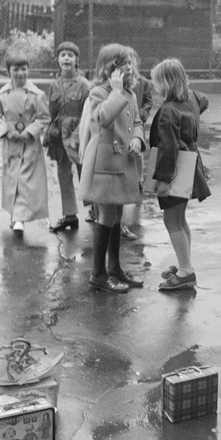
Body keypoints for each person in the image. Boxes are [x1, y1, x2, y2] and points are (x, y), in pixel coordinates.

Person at [78, 44, 146, 293]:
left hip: (123, 161)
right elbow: (103, 119)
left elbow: (137, 121)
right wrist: (116, 92)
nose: (128, 68)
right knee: (106, 216)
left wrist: (138, 138)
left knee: (117, 216)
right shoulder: (98, 92)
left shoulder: (131, 93)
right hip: (104, 164)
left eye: (130, 63)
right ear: (109, 68)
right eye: (122, 64)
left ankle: (115, 268)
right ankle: (98, 273)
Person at [148, 58, 211, 291]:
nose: (154, 87)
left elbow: (167, 148)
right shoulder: (192, 98)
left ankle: (185, 272)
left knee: (171, 220)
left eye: (156, 82)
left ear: (165, 83)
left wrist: (162, 180)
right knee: (180, 218)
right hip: (191, 163)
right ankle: (186, 264)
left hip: (175, 168)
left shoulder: (167, 110)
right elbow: (204, 100)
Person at [0, 51, 50, 238]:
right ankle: (16, 216)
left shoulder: (36, 94)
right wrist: (6, 130)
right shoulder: (1, 94)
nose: (20, 73)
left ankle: (19, 219)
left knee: (25, 181)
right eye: (16, 69)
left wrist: (29, 131)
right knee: (12, 179)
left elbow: (44, 117)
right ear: (8, 71)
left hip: (29, 144)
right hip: (11, 144)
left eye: (24, 69)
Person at [45, 41, 92, 232]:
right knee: (63, 174)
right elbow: (51, 112)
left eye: (70, 55)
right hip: (60, 137)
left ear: (76, 61)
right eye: (62, 55)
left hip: (79, 134)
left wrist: (81, 134)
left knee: (86, 173)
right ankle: (70, 215)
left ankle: (94, 210)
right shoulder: (54, 85)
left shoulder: (83, 85)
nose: (66, 58)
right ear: (57, 60)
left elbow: (88, 112)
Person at [120, 47, 154, 241]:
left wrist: (142, 114)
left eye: (131, 61)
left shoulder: (142, 83)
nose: (129, 66)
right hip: (122, 126)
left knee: (138, 153)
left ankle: (138, 181)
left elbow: (148, 102)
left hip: (136, 123)